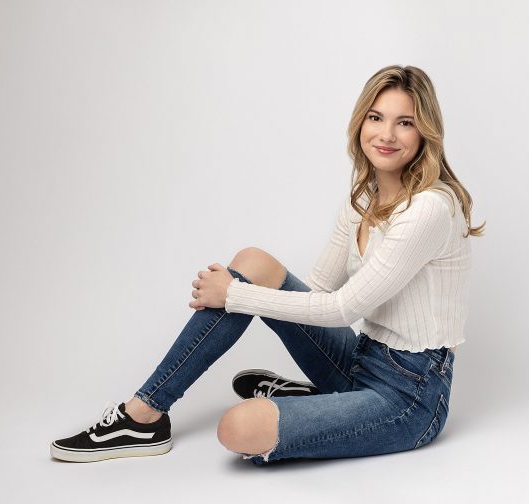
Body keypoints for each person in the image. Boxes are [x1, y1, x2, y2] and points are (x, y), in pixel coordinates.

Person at [50, 64, 485, 465]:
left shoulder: (429, 208)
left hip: (408, 396)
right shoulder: (365, 197)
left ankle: (315, 402)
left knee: (237, 428)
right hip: (360, 359)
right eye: (376, 117)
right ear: (360, 124)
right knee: (253, 261)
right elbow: (317, 291)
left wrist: (236, 296)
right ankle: (143, 415)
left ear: (424, 132)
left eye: (404, 122)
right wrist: (246, 291)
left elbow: (341, 310)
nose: (386, 133)